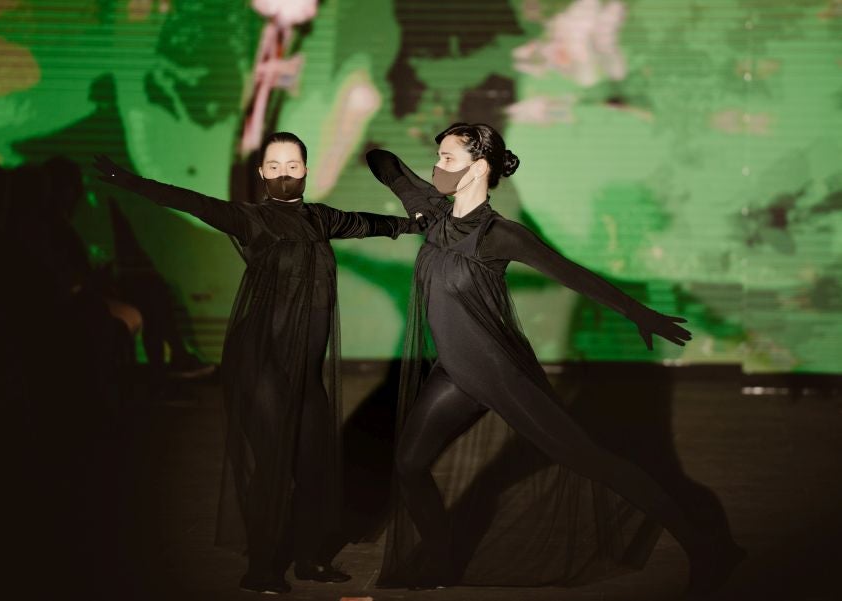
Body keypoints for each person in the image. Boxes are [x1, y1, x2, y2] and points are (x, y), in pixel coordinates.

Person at [365, 123, 746, 595]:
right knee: (409, 465)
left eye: (447, 158)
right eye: (438, 156)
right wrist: (413, 201)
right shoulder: (434, 211)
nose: (437, 167)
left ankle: (711, 549)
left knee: (590, 460)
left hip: (498, 372)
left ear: (479, 167)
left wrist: (640, 314)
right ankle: (442, 563)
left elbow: (573, 275)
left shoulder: (499, 235)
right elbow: (382, 162)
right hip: (456, 373)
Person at [93, 132, 422, 594]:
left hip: (304, 367)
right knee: (272, 462)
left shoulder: (321, 219)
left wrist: (415, 224)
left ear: (306, 170)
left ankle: (309, 558)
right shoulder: (249, 219)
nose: (284, 172)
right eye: (275, 165)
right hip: (261, 359)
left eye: (293, 165)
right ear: (262, 173)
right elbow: (187, 199)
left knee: (314, 462)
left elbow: (368, 223)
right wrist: (128, 181)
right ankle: (262, 567)